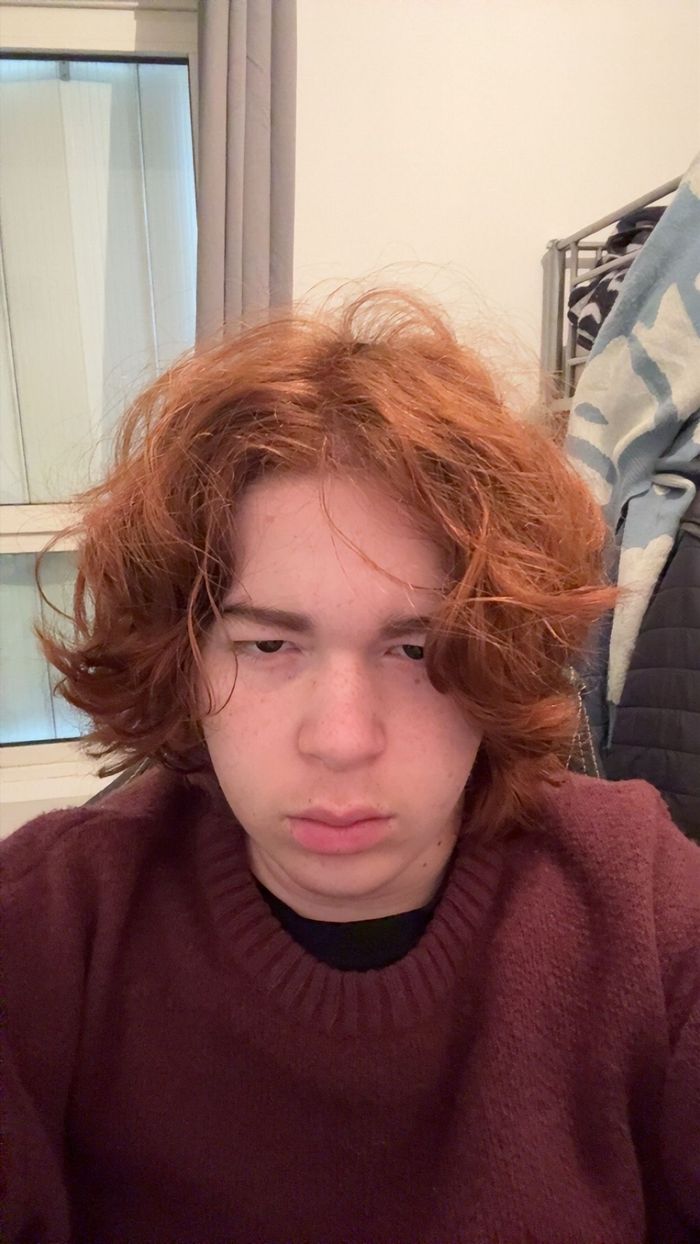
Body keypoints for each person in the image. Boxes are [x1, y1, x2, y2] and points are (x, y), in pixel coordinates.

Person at [2, 290, 699, 1244]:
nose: (341, 738)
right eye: (268, 646)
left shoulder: (645, 905)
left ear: (499, 656)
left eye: (417, 650)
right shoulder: (47, 930)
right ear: (185, 658)